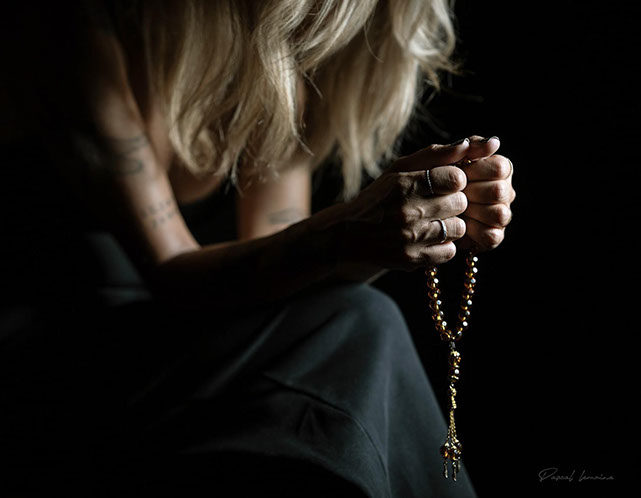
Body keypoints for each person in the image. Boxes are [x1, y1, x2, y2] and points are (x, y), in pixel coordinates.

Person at [0, 1, 515, 496]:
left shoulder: (265, 68)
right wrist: (352, 229)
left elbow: (282, 279)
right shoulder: (78, 23)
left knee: (352, 323)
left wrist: (393, 239)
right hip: (61, 348)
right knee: (364, 323)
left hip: (187, 341)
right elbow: (172, 271)